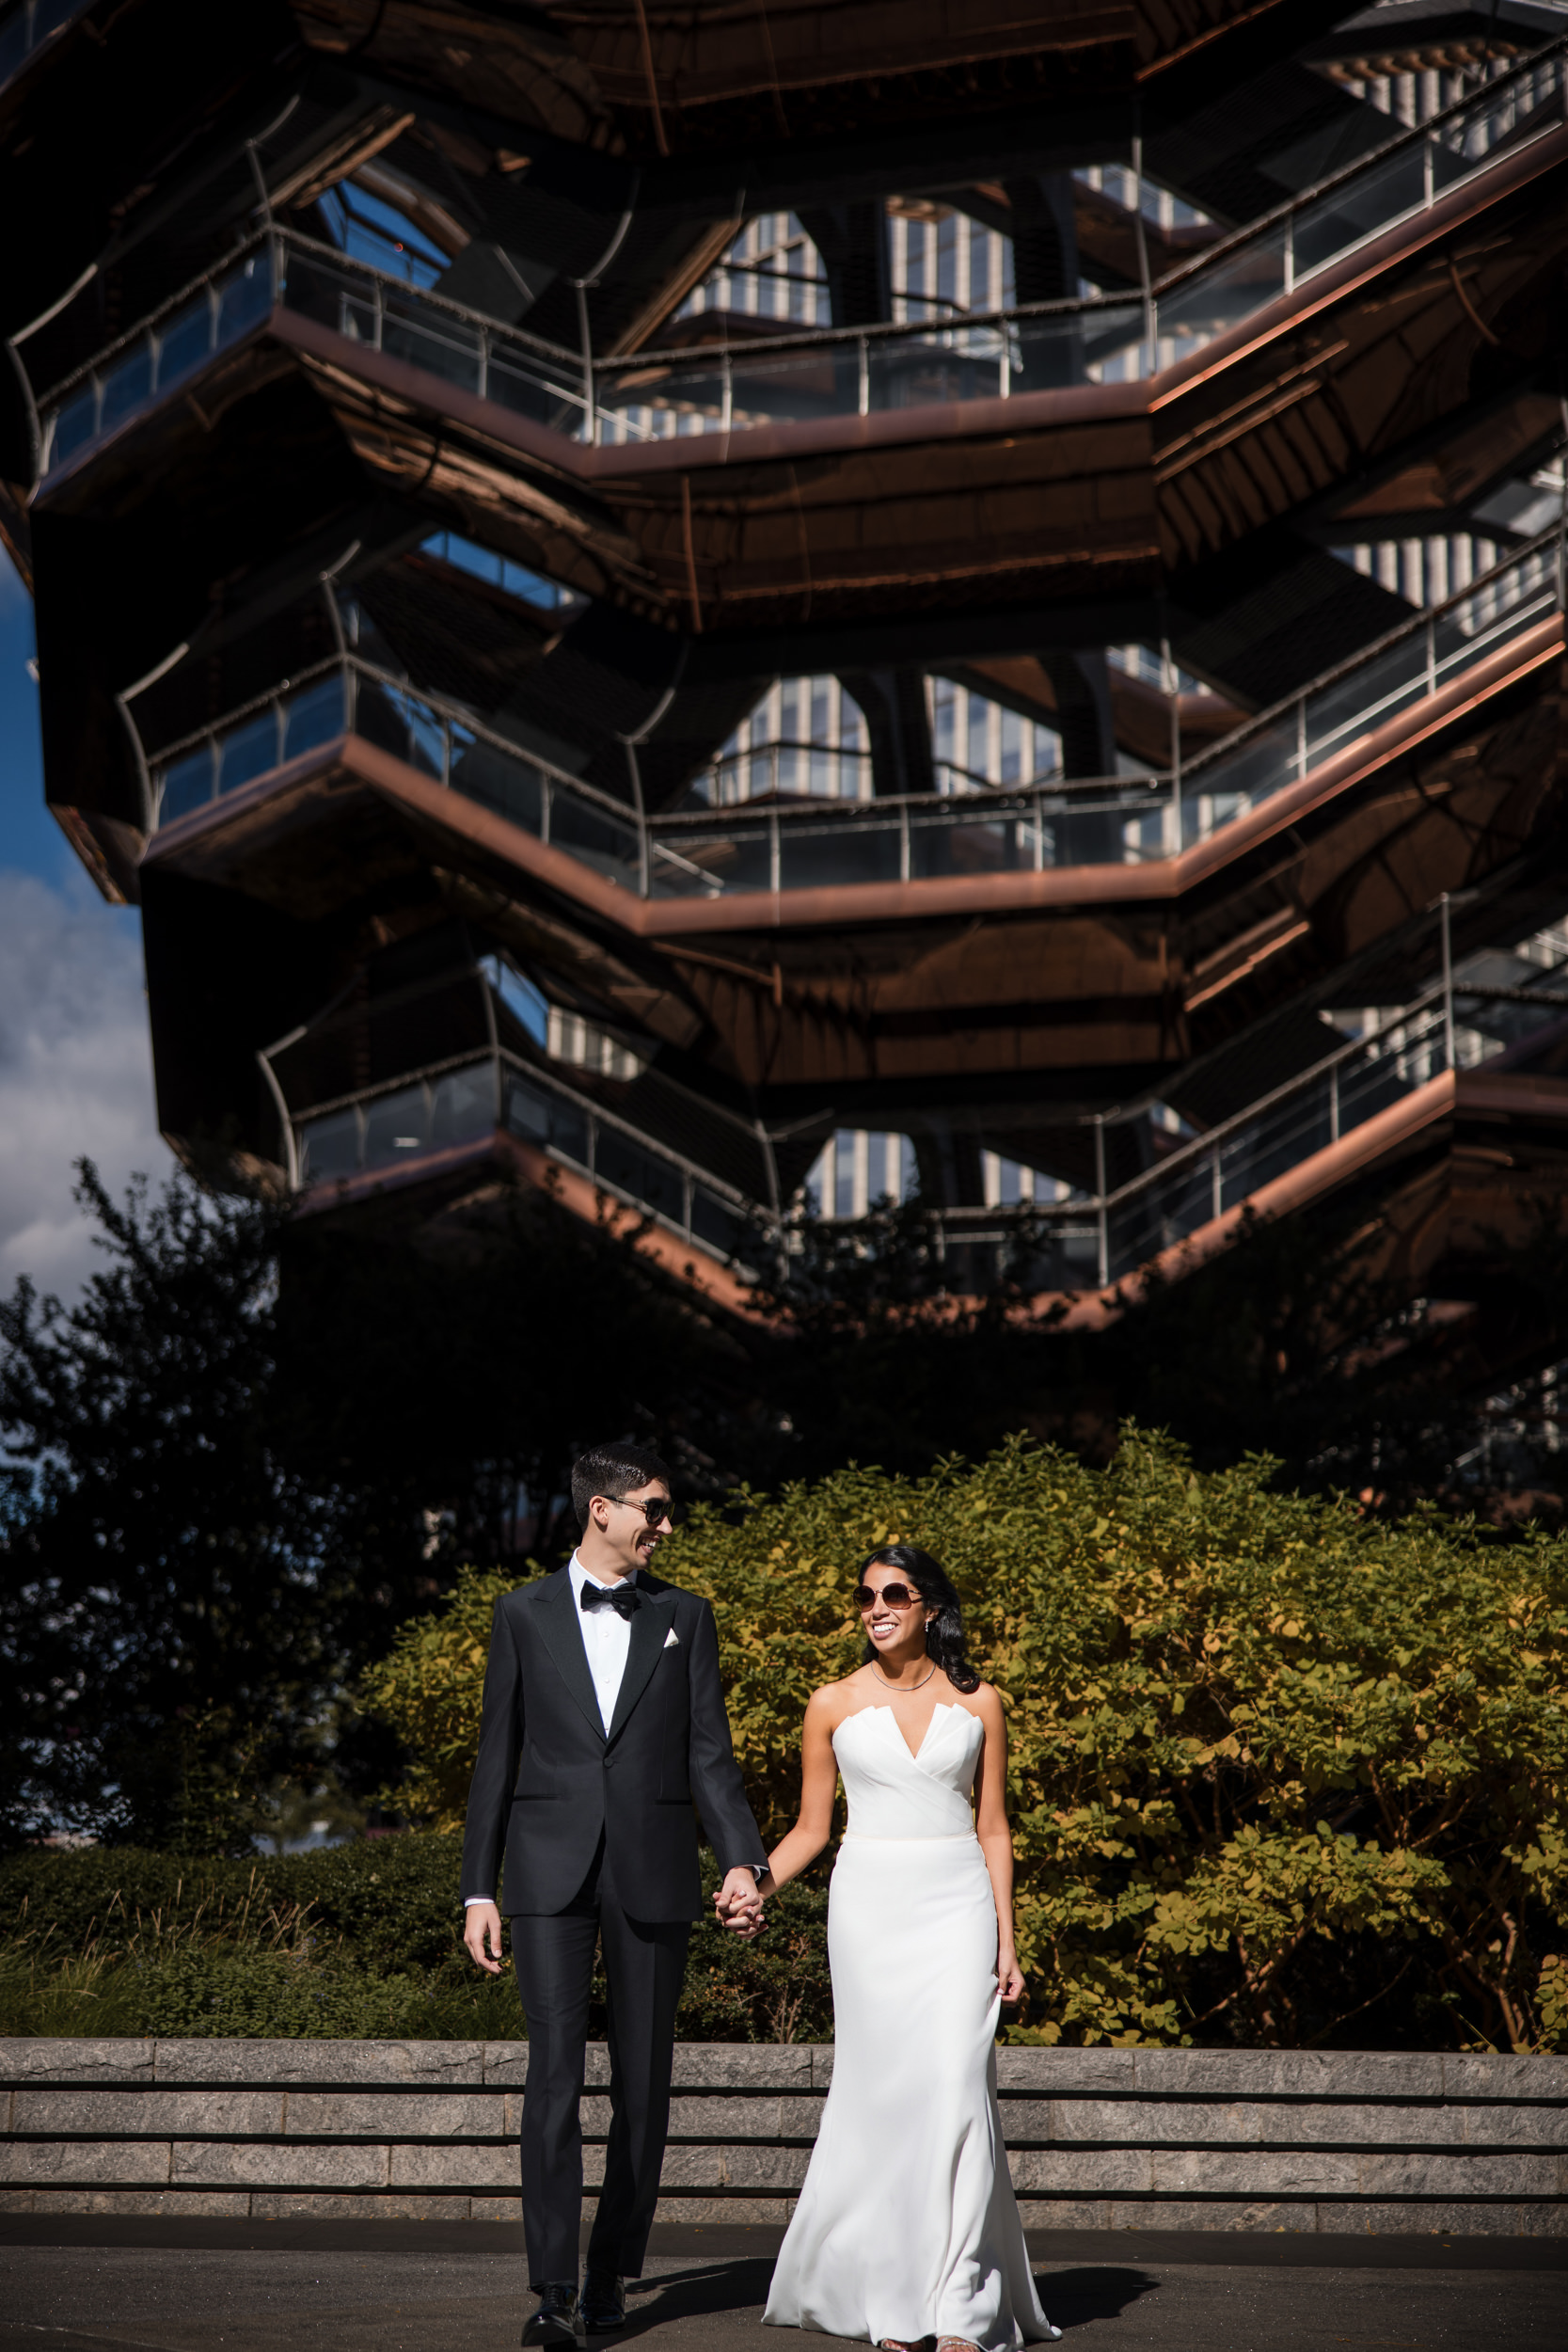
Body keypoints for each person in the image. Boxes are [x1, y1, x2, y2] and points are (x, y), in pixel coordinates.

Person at [461, 1442, 768, 2345]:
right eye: (654, 1509)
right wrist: (477, 1889)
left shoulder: (686, 1616)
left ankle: (607, 2274)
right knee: (552, 2078)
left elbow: (708, 1750)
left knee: (643, 2083)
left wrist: (740, 1859)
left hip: (655, 1866)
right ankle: (552, 2286)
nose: (665, 1527)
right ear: (602, 1508)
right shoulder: (519, 1614)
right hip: (545, 1872)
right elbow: (496, 1757)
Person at [737, 1544, 1059, 2352]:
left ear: (930, 1609)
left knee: (955, 2085)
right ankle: (891, 2300)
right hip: (869, 1907)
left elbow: (992, 1828)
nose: (875, 1607)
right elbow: (812, 1829)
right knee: (885, 2101)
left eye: (894, 1593)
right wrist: (754, 1884)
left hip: (957, 1905)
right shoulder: (830, 1703)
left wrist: (1006, 1943)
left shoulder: (981, 1702)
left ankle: (960, 2310)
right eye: (864, 1597)